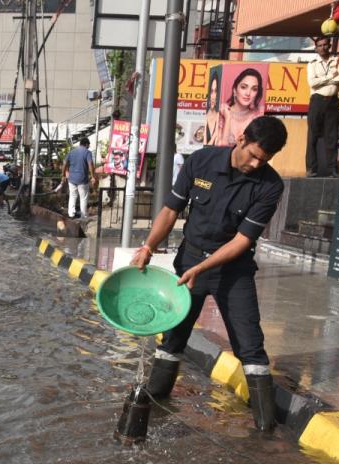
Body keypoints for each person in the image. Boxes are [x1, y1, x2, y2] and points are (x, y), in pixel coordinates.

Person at [131, 115, 288, 432]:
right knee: (173, 335)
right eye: (254, 155)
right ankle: (157, 400)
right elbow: (171, 209)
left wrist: (202, 268)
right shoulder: (201, 161)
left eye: (264, 160)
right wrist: (147, 247)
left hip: (234, 270)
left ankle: (265, 427)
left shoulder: (270, 186)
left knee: (250, 345)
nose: (256, 164)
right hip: (189, 259)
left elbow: (243, 240)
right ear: (241, 138)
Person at [306, 37, 339, 176]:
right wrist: (331, 77)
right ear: (316, 48)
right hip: (317, 101)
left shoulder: (337, 60)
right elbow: (312, 83)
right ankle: (311, 168)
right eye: (319, 46)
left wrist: (324, 79)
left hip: (333, 101)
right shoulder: (312, 63)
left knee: (331, 136)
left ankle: (332, 169)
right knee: (313, 136)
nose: (322, 48)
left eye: (325, 45)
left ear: (330, 46)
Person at [213, 68, 264, 148]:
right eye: (243, 87)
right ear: (234, 90)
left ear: (257, 93)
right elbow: (221, 148)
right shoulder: (221, 113)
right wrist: (228, 118)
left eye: (254, 89)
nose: (248, 93)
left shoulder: (258, 117)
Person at [63, 137, 95, 218]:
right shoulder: (87, 153)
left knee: (73, 196)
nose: (88, 147)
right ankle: (83, 215)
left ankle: (71, 214)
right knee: (83, 198)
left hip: (72, 179)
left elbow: (64, 163)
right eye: (88, 145)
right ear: (86, 144)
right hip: (82, 179)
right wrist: (92, 176)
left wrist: (63, 174)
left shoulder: (72, 152)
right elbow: (90, 164)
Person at [204, 72, 221, 146]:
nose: (213, 96)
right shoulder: (205, 116)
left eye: (216, 91)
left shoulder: (219, 116)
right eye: (211, 91)